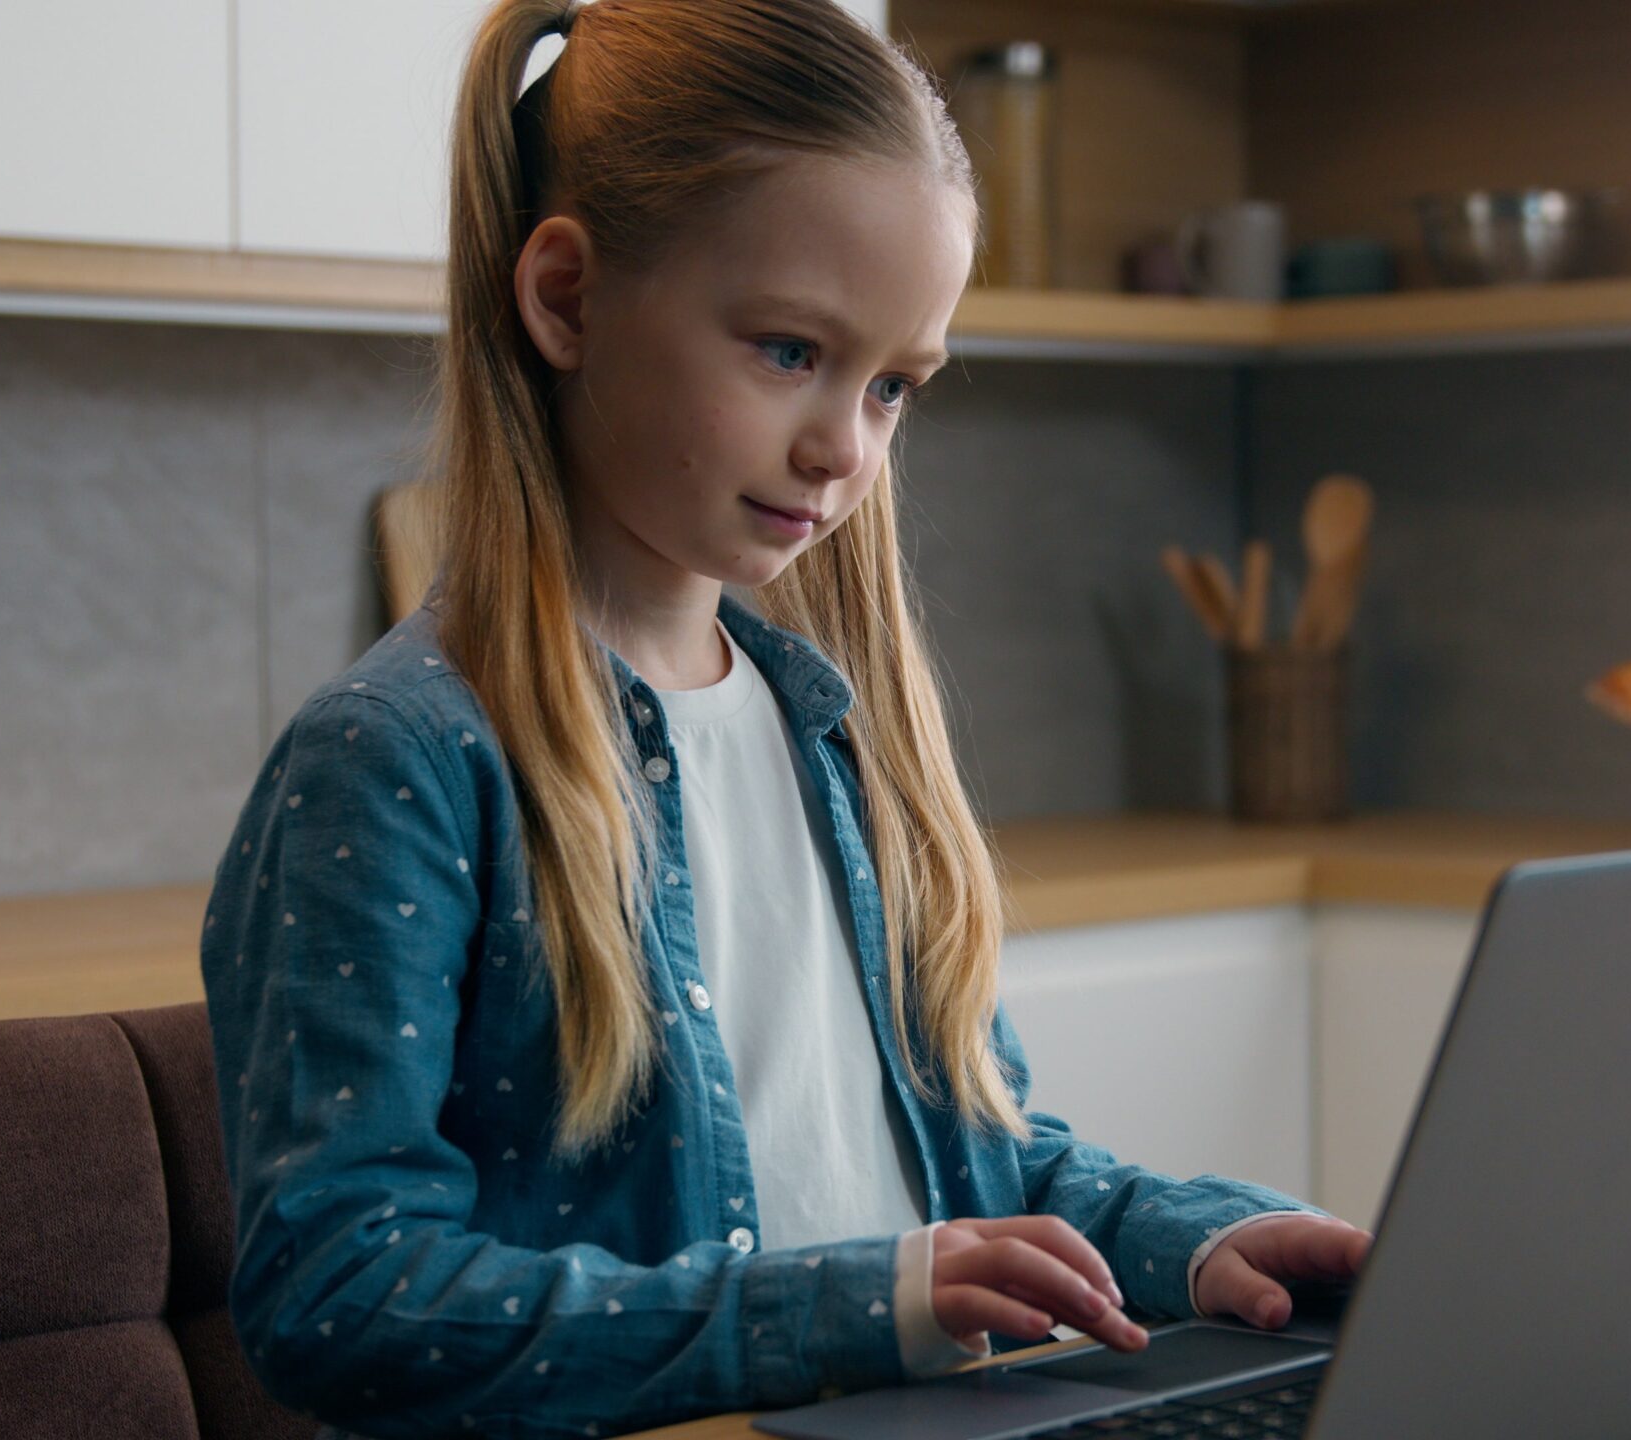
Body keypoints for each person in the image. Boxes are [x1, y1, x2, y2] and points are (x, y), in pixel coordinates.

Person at [197, 1, 1372, 1434]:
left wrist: (1198, 1245)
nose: (846, 447)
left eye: (892, 386)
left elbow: (976, 1173)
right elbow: (339, 1293)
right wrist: (851, 1307)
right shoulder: (401, 761)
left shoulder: (841, 741)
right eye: (788, 353)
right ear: (565, 298)